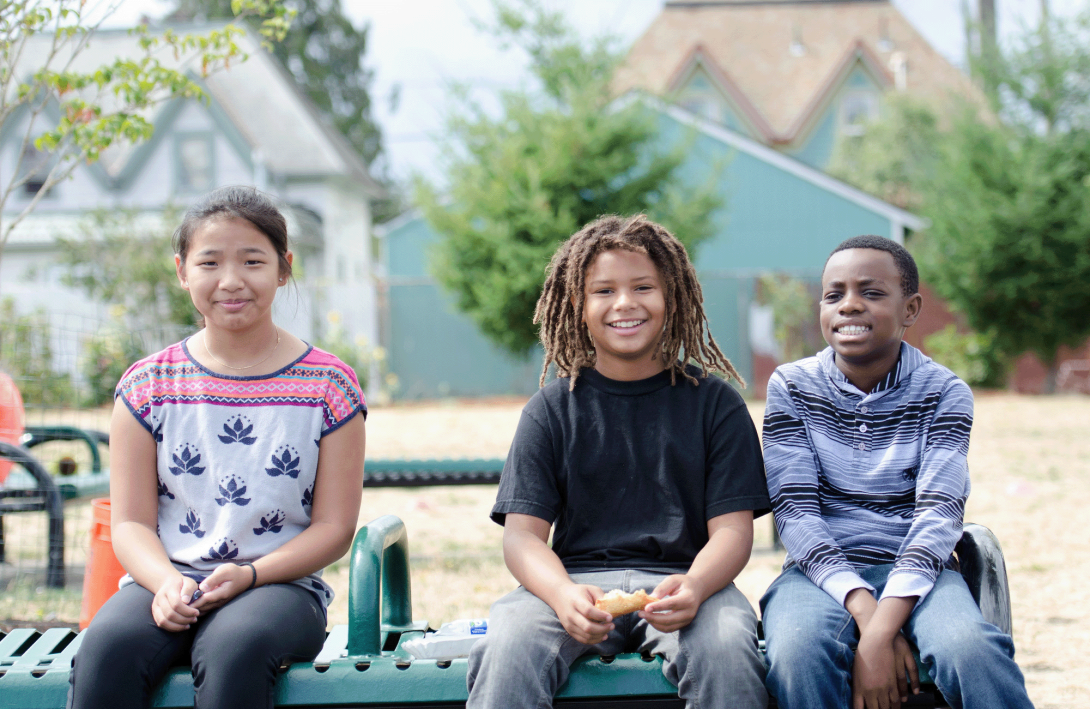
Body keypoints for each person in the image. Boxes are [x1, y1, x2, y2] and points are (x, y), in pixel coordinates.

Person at [68, 186, 367, 709]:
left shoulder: (330, 385)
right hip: (166, 581)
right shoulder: (147, 386)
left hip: (280, 587)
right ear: (183, 271)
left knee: (234, 647)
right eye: (209, 262)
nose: (231, 281)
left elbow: (334, 528)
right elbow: (131, 523)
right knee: (107, 648)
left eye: (252, 260)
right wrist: (164, 584)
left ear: (283, 267)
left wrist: (251, 574)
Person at [466, 215, 771, 709]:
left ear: (672, 297)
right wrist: (563, 595)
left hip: (688, 583)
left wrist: (694, 586)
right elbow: (522, 536)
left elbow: (734, 532)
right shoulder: (550, 409)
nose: (625, 303)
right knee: (507, 645)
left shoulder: (716, 405)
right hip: (575, 585)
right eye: (603, 290)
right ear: (578, 307)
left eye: (643, 287)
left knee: (727, 648)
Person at [760, 235, 1034, 709]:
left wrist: (880, 630)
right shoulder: (792, 386)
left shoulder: (944, 392)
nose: (849, 306)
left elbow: (938, 516)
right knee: (796, 653)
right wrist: (867, 613)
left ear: (910, 309)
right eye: (834, 295)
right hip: (818, 573)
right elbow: (795, 515)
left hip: (920, 573)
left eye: (871, 292)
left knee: (972, 651)